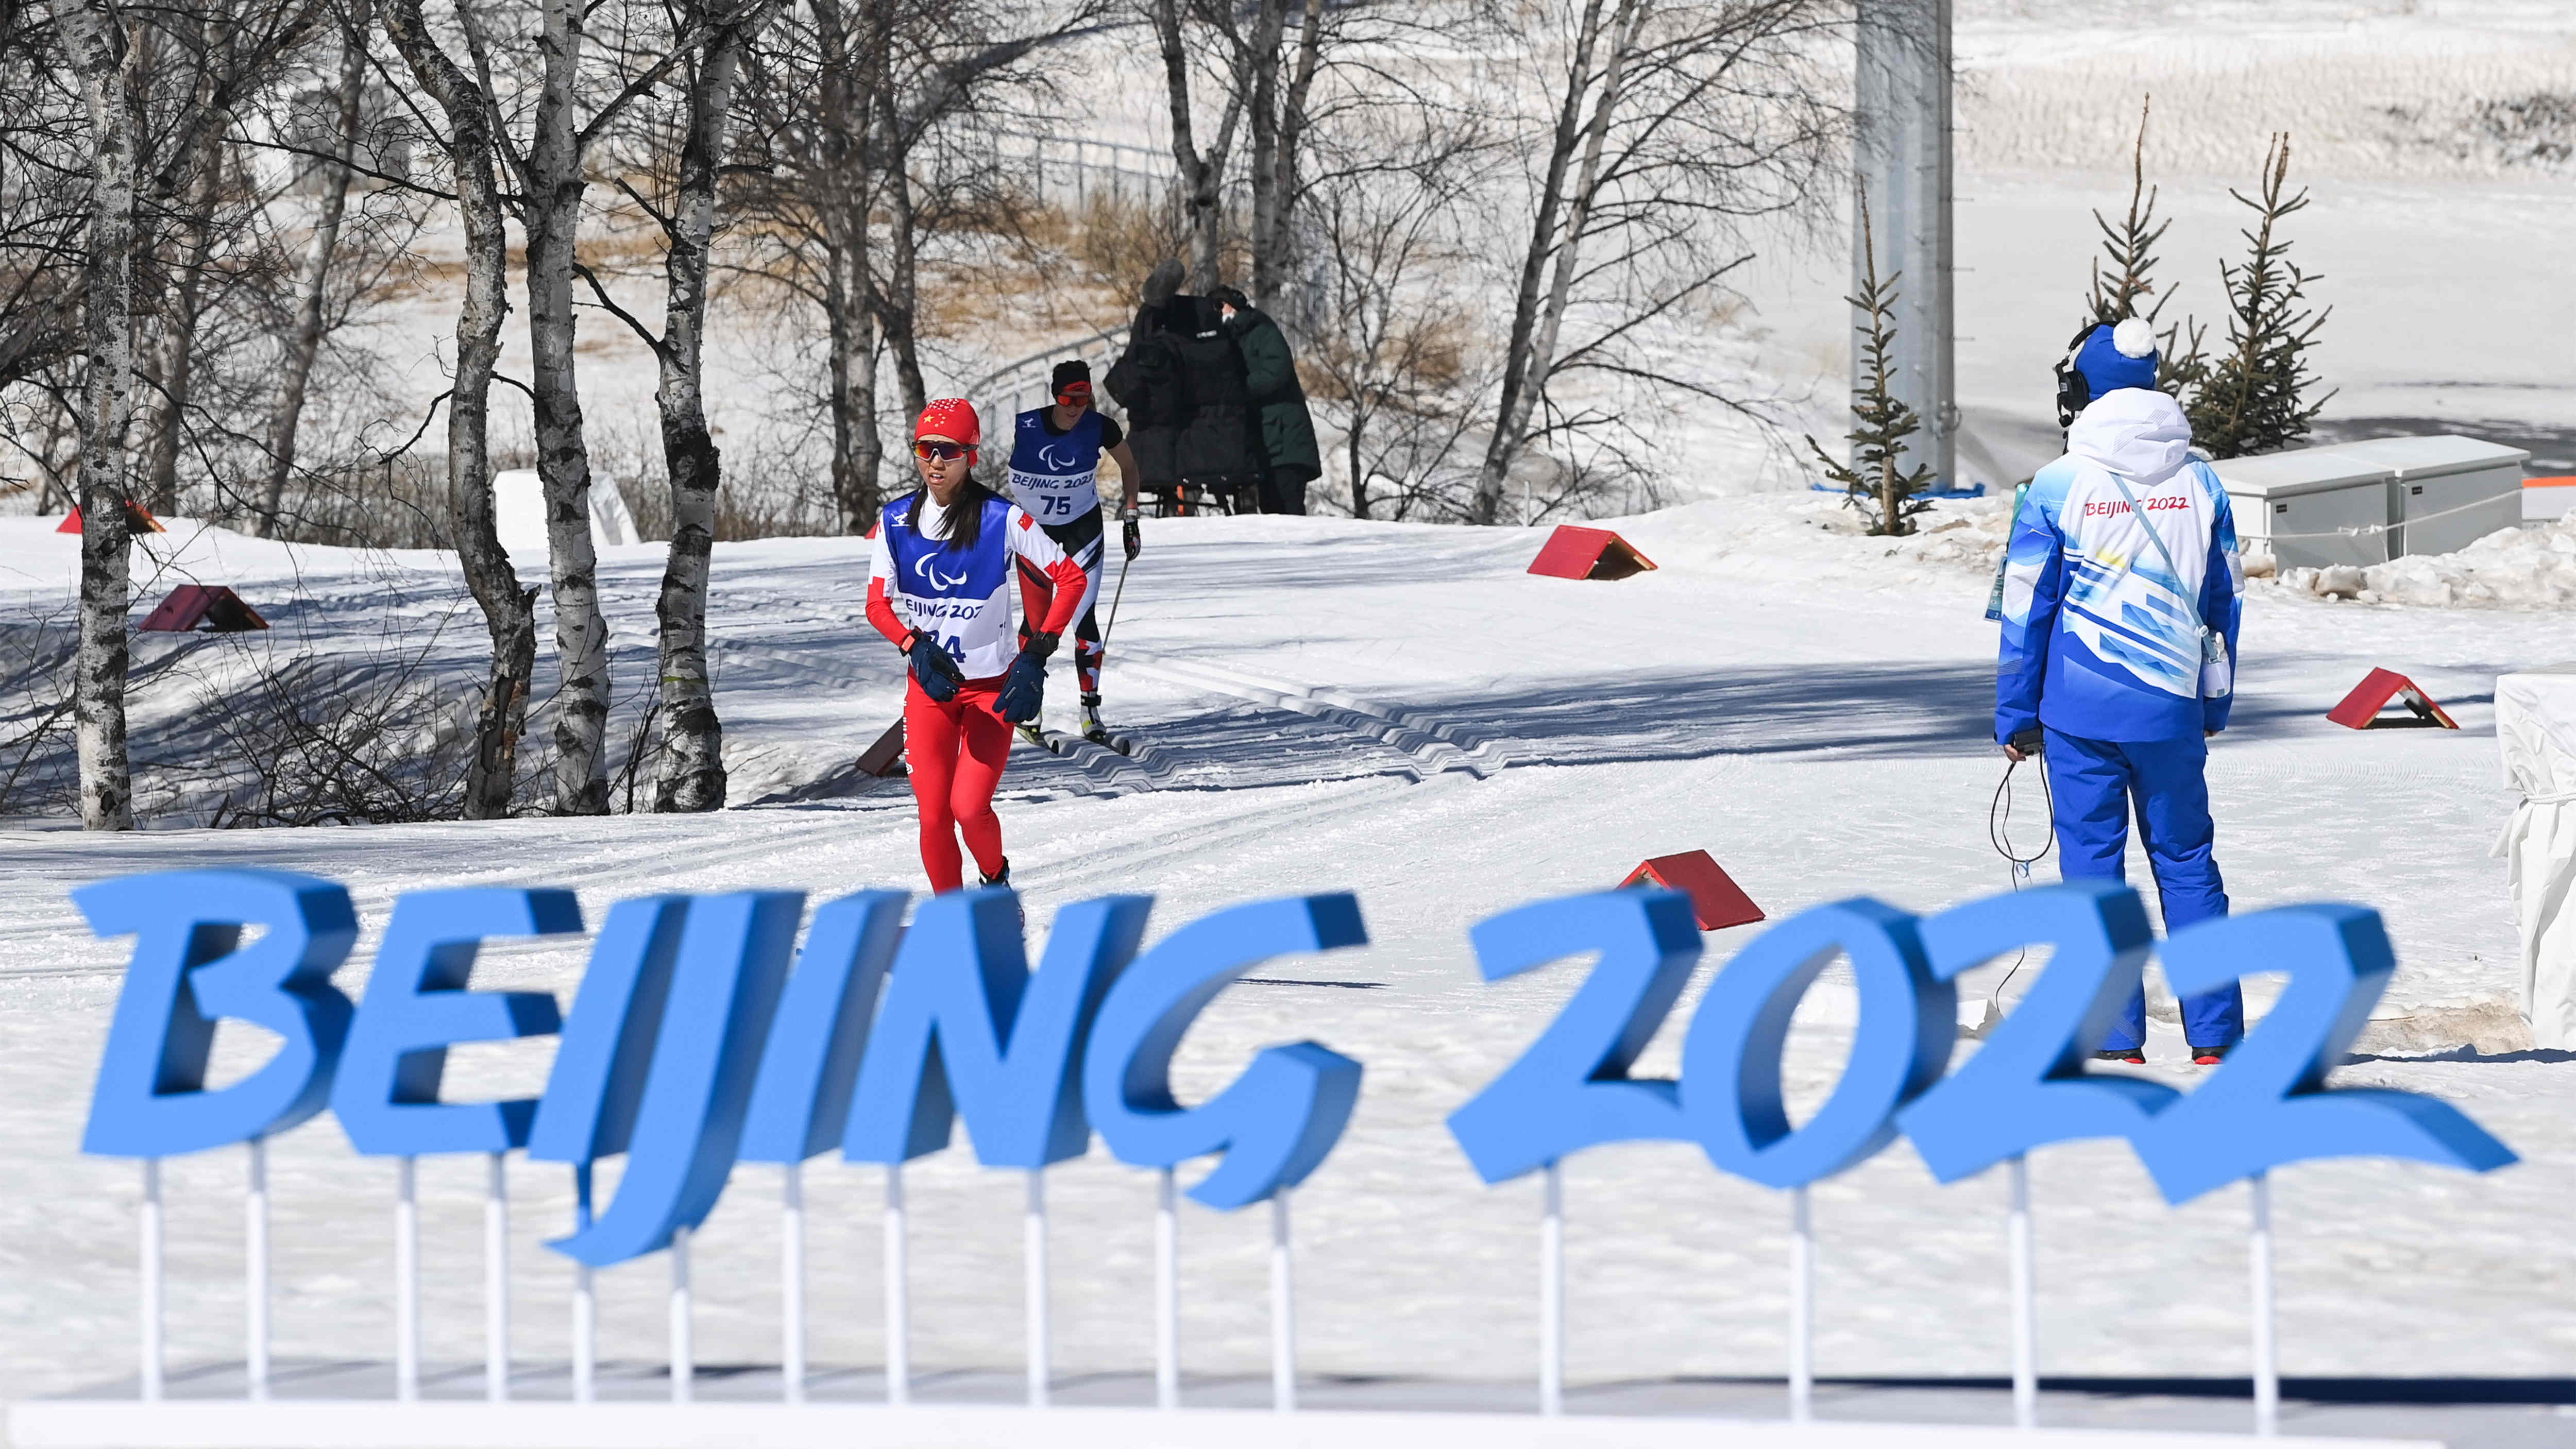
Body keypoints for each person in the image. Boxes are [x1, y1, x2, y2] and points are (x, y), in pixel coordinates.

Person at [1995, 317, 2247, 1066]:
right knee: (2188, 863)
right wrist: (2214, 702)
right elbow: (2225, 600)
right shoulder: (2201, 480)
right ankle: (2216, 1037)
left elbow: (2024, 609)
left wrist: (2016, 711)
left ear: (2083, 391)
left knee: (2094, 874)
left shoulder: (2055, 485)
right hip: (2170, 707)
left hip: (2078, 713)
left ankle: (2114, 1036)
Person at [866, 399, 1088, 893]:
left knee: (969, 807)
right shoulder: (896, 520)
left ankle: (995, 882)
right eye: (926, 449)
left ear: (972, 455)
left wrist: (1036, 654)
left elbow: (1070, 578)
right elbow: (876, 605)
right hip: (932, 692)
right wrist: (911, 644)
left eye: (948, 451)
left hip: (992, 689)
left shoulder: (1003, 519)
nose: (936, 462)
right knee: (933, 817)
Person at [1006, 360, 1143, 743]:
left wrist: (1131, 516)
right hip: (1035, 538)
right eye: (1068, 397)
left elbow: (1130, 467)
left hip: (1083, 532)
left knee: (1084, 620)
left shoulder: (1101, 426)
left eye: (1083, 397)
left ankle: (1091, 709)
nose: (1075, 406)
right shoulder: (1027, 425)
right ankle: (1030, 707)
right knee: (1038, 625)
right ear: (1055, 395)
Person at [1106, 260, 1269, 514]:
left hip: (1162, 451)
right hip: (1226, 449)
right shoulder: (1222, 347)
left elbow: (1130, 389)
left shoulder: (1158, 344)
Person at [1210, 284, 1320, 515]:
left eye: (1221, 306)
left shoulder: (1260, 329)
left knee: (1287, 507)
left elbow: (1277, 372)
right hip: (1268, 441)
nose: (1219, 313)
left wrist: (1238, 388)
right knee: (1270, 508)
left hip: (1285, 438)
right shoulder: (1232, 337)